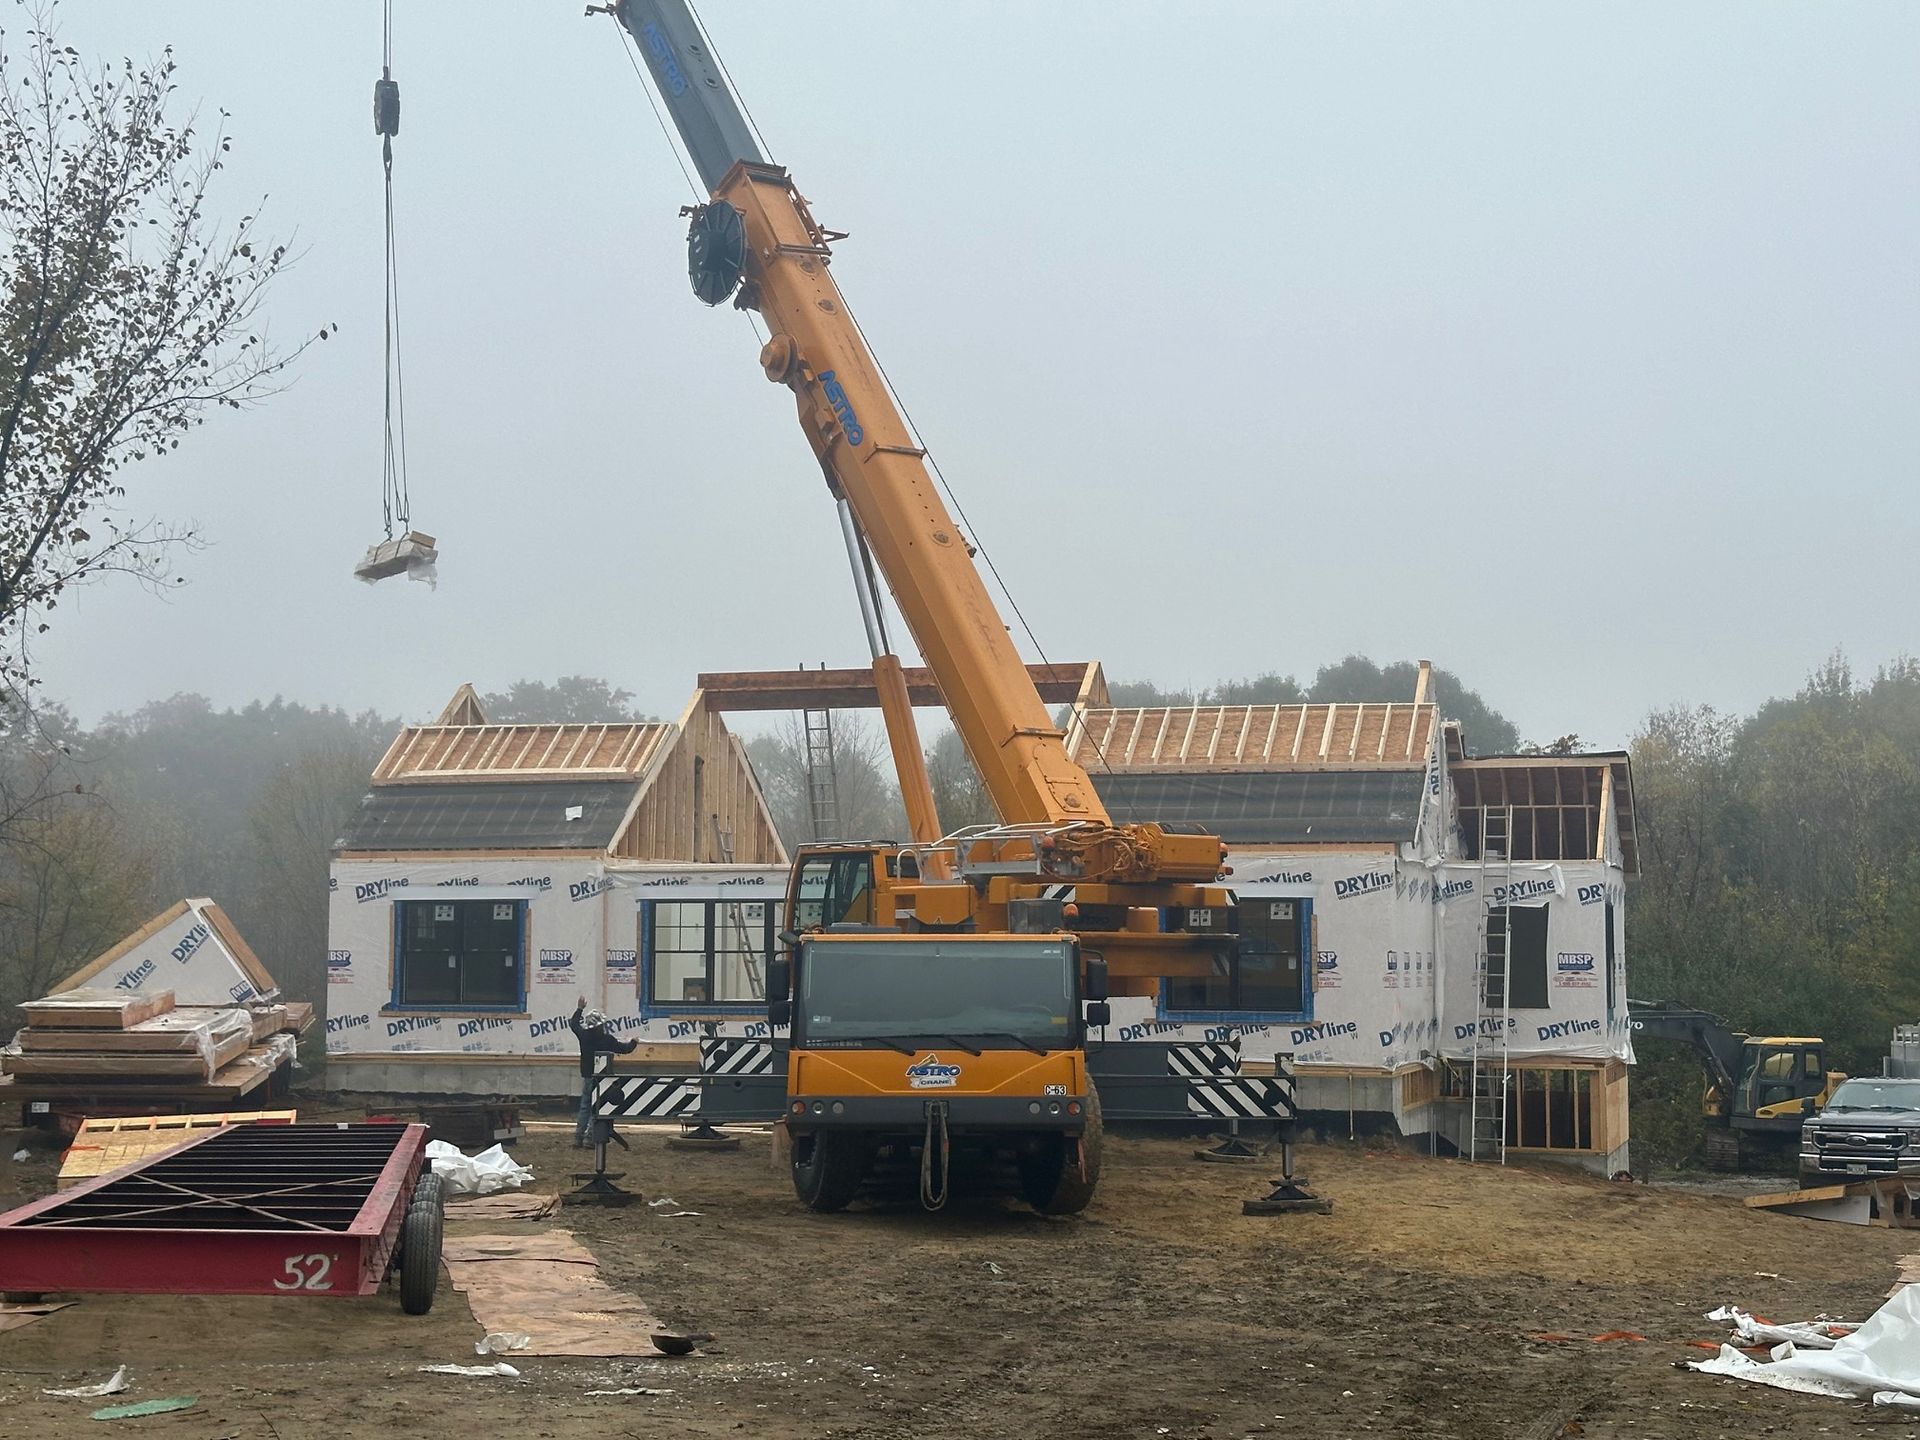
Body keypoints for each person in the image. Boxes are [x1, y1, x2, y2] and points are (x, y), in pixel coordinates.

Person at [569, 996, 638, 1147]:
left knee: (585, 1106)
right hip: (602, 1080)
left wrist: (579, 1008)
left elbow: (574, 1024)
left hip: (587, 1076)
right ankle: (590, 1138)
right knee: (597, 1108)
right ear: (601, 1025)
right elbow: (623, 1049)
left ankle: (578, 1137)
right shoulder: (607, 1040)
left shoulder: (584, 1036)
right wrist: (634, 1042)